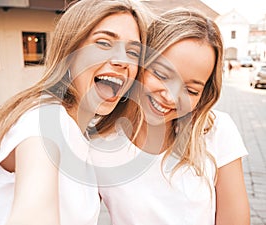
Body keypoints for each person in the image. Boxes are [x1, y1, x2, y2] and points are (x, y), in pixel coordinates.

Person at [0, 0, 150, 224]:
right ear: (69, 52)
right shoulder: (44, 120)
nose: (122, 61)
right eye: (103, 43)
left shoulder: (82, 136)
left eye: (133, 52)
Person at [90, 8, 250, 225]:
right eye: (162, 75)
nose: (170, 97)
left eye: (191, 91)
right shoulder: (98, 144)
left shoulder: (216, 130)